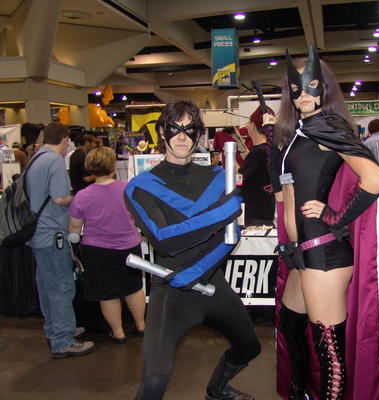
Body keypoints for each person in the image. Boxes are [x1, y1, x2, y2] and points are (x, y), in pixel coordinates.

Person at [271, 46, 379, 400]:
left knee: (330, 353)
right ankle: (299, 394)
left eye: (311, 87)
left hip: (324, 255)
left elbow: (375, 179)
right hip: (301, 255)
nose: (303, 96)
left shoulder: (327, 126)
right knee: (291, 326)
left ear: (325, 88)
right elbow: (286, 194)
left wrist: (335, 216)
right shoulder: (299, 131)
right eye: (296, 89)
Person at [124, 100, 261, 400]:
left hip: (212, 283)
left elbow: (230, 236)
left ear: (199, 134)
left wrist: (196, 271)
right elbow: (164, 240)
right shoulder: (140, 186)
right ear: (162, 130)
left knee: (249, 346)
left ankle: (217, 389)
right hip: (171, 290)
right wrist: (221, 212)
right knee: (154, 382)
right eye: (175, 128)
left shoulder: (218, 177)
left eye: (189, 129)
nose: (181, 136)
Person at [26, 122, 95, 359]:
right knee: (61, 287)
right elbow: (59, 198)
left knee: (47, 286)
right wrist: (79, 198)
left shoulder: (36, 158)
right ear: (65, 140)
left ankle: (56, 329)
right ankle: (63, 339)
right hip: (53, 233)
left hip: (39, 233)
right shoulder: (54, 161)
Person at [68, 147, 146, 343]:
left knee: (107, 293)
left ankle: (118, 333)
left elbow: (75, 228)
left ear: (90, 168)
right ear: (113, 166)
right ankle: (141, 325)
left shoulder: (82, 196)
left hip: (97, 250)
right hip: (129, 247)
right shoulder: (128, 190)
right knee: (133, 288)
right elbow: (140, 217)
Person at [238, 105, 276, 226]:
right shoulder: (270, 150)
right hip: (266, 212)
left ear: (253, 125)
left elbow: (238, 179)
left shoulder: (259, 153)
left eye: (248, 123)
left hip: (255, 217)